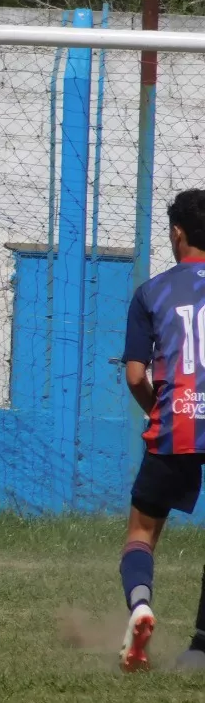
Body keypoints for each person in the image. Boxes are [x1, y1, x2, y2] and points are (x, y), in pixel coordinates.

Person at [118, 188, 205, 673]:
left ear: (176, 234)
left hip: (177, 424)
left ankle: (142, 605)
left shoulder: (151, 292)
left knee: (142, 533)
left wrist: (160, 412)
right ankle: (200, 649)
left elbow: (134, 375)